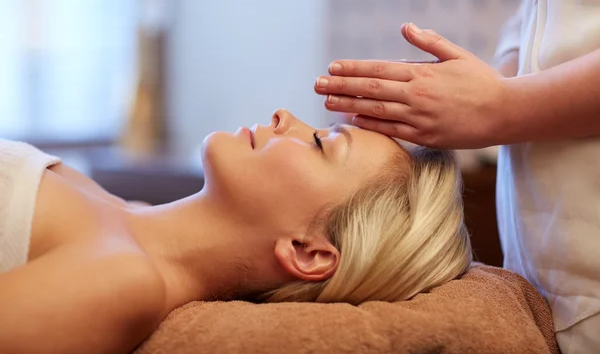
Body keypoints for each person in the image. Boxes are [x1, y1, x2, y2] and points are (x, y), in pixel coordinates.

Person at [0, 109, 471, 354]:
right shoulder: (118, 211)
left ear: (307, 251)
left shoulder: (123, 282)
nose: (284, 116)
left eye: (319, 144)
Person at [313, 0, 600, 352]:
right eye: (320, 141)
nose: (280, 119)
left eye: (320, 144)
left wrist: (500, 108)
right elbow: (542, 17)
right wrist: (443, 95)